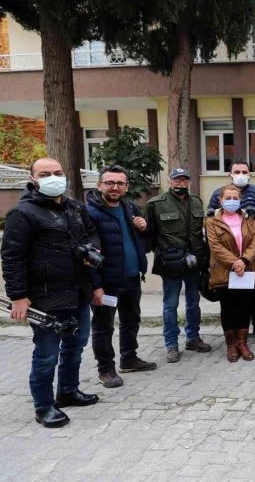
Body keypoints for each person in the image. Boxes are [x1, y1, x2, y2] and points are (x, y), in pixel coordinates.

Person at [1, 157, 101, 428]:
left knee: (76, 345)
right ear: (32, 179)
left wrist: (93, 264)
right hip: (45, 297)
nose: (53, 178)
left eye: (58, 172)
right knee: (47, 354)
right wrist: (18, 296)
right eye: (45, 174)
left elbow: (92, 235)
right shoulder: (22, 214)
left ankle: (67, 391)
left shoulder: (75, 208)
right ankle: (44, 407)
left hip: (78, 291)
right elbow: (12, 257)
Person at [86, 165, 155, 389]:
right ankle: (106, 369)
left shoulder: (130, 208)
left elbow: (146, 241)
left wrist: (144, 227)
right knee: (103, 326)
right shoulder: (89, 213)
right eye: (110, 183)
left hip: (132, 277)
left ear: (126, 186)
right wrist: (95, 286)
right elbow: (87, 253)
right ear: (99, 185)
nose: (115, 187)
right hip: (107, 282)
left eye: (120, 183)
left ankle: (129, 359)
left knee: (131, 320)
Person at [145, 168, 211, 363]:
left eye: (184, 180)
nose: (181, 184)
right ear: (169, 181)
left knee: (194, 302)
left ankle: (193, 338)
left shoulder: (197, 201)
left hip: (194, 260)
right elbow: (150, 235)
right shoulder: (155, 204)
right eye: (177, 180)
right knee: (170, 304)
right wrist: (164, 253)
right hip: (171, 262)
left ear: (188, 182)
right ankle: (171, 344)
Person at [206, 160, 255, 342]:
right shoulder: (218, 193)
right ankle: (235, 336)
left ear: (250, 174)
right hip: (227, 256)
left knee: (254, 293)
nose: (241, 175)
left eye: (244, 171)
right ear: (230, 174)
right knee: (231, 298)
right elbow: (211, 216)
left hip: (252, 251)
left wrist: (249, 256)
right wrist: (234, 261)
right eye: (237, 171)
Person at [206, 185, 255, 362]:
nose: (232, 201)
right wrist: (235, 262)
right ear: (220, 200)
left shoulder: (248, 218)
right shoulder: (211, 221)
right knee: (228, 308)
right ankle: (230, 345)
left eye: (235, 198)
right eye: (227, 198)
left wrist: (244, 261)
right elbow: (215, 246)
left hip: (246, 270)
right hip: (224, 271)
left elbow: (254, 241)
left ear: (240, 200)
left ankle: (242, 343)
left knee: (244, 307)